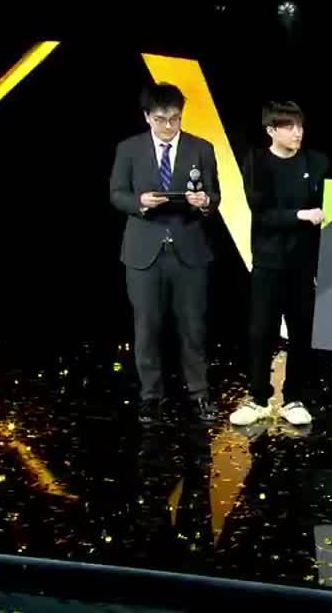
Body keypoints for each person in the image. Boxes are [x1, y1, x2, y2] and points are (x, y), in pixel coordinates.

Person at [109, 82, 221, 423]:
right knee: (147, 327)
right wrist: (140, 202)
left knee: (193, 326)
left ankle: (199, 393)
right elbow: (116, 193)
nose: (169, 126)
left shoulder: (201, 148)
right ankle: (150, 396)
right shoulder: (129, 149)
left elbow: (215, 195)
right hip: (144, 252)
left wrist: (204, 202)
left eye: (175, 119)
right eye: (161, 119)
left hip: (190, 249)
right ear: (147, 117)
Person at [229, 101, 330, 428]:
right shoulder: (257, 162)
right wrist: (299, 215)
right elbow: (261, 212)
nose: (297, 133)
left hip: (304, 263)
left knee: (302, 331)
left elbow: (329, 205)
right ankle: (257, 398)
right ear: (271, 130)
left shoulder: (316, 162)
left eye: (300, 126)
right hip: (269, 261)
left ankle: (295, 397)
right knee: (261, 331)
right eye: (289, 127)